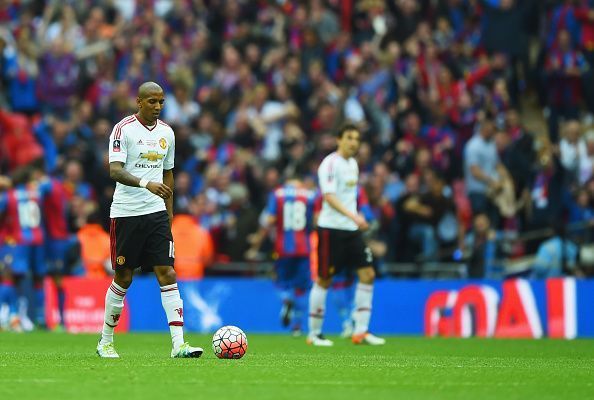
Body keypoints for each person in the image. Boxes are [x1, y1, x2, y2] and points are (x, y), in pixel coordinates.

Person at [96, 81, 203, 358]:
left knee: (167, 272)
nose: (157, 107)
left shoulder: (167, 132)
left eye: (161, 102)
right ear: (139, 102)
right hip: (126, 213)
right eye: (152, 101)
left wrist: (168, 215)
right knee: (124, 277)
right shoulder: (123, 129)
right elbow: (115, 171)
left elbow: (168, 174)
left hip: (155, 214)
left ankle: (178, 344)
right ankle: (105, 341)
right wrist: (146, 184)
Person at [308, 124, 385, 346]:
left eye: (357, 139)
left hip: (351, 231)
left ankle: (361, 331)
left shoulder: (353, 164)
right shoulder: (330, 164)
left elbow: (349, 197)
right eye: (349, 138)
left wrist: (354, 218)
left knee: (368, 274)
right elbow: (329, 197)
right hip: (330, 229)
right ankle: (314, 334)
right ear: (338, 139)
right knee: (324, 279)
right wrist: (355, 217)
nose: (354, 142)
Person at [248, 175, 317, 335]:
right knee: (302, 287)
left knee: (281, 283)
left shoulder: (278, 194)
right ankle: (297, 325)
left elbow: (269, 220)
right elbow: (316, 219)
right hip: (304, 249)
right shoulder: (310, 195)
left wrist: (256, 243)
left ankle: (286, 300)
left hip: (283, 248)